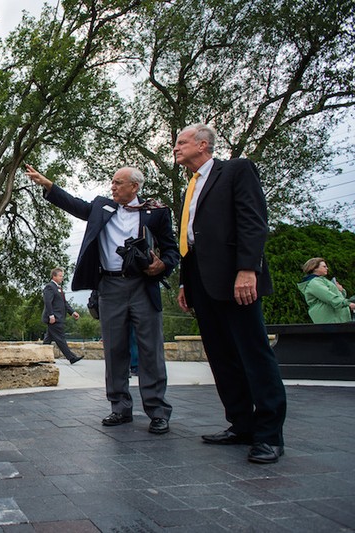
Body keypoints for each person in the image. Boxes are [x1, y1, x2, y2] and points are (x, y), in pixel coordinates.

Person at [26, 165, 178, 435]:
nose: (113, 187)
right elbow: (74, 205)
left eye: (119, 183)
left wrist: (162, 266)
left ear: (135, 187)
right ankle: (120, 408)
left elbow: (171, 251)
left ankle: (157, 411)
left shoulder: (156, 213)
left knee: (150, 350)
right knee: (114, 349)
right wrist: (48, 185)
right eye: (112, 182)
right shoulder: (101, 207)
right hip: (109, 287)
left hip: (143, 286)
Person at [174, 123, 287, 464]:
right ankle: (241, 424)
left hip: (236, 279)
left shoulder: (236, 170)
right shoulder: (190, 187)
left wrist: (248, 269)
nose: (176, 147)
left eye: (182, 142)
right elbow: (189, 239)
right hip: (201, 282)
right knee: (221, 357)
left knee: (253, 354)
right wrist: (185, 283)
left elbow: (253, 220)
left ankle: (269, 435)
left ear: (203, 144)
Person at [41, 267, 83, 364]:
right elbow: (48, 302)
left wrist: (72, 312)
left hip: (58, 317)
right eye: (60, 276)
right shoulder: (49, 287)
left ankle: (42, 356)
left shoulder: (58, 288)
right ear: (54, 276)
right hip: (54, 318)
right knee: (60, 338)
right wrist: (51, 315)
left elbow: (64, 303)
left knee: (48, 340)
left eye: (62, 276)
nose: (62, 278)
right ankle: (71, 357)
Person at [297, 257, 355, 323]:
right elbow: (328, 296)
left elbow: (336, 297)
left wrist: (340, 290)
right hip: (331, 320)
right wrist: (348, 303)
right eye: (324, 266)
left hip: (337, 319)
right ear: (314, 268)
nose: (327, 268)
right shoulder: (314, 283)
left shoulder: (321, 281)